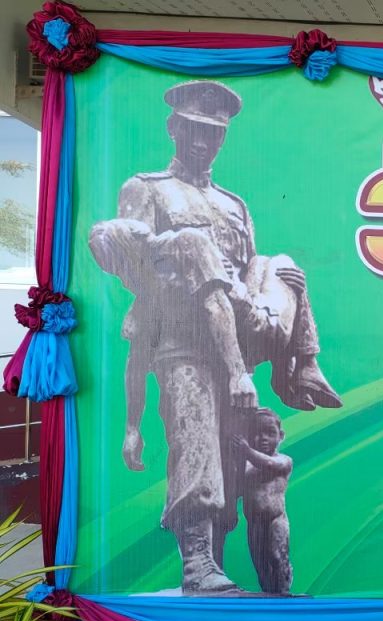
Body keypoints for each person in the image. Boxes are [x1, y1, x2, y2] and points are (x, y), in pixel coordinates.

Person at [88, 80, 339, 594]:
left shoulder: (233, 204)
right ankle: (198, 565)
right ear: (174, 127)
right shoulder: (147, 188)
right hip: (182, 339)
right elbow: (133, 260)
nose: (203, 142)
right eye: (194, 130)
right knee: (196, 443)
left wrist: (272, 296)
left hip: (236, 341)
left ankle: (301, 367)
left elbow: (248, 272)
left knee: (281, 266)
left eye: (214, 133)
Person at [232, 409, 294, 595]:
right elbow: (237, 488)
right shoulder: (247, 466)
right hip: (255, 523)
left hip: (276, 519)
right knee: (261, 565)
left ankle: (283, 591)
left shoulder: (283, 460)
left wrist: (246, 451)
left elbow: (268, 464)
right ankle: (269, 593)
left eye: (270, 432)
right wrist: (239, 458)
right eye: (256, 433)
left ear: (281, 435)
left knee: (278, 556)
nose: (263, 438)